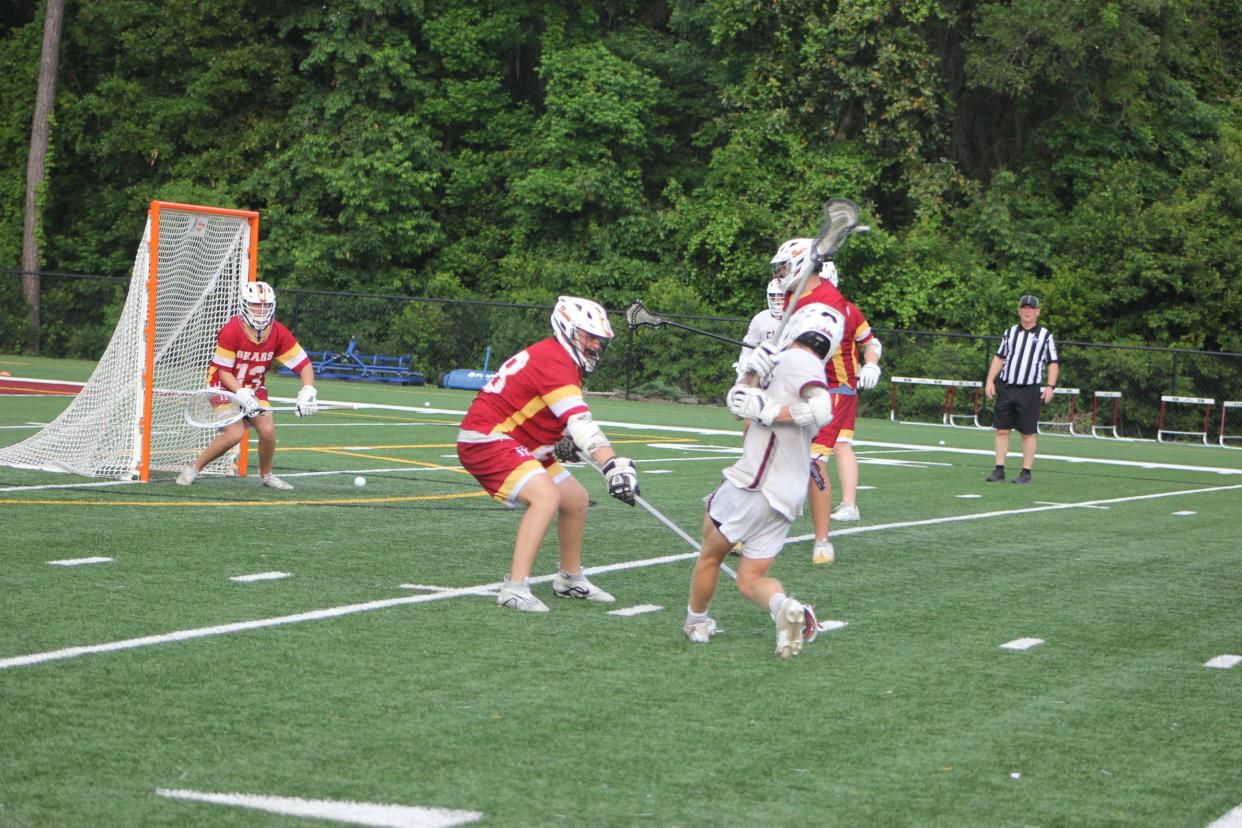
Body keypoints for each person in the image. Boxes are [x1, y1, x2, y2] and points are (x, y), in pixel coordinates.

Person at [456, 295, 639, 612]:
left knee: (575, 500)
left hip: (517, 440)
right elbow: (581, 423)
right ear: (568, 329)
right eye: (589, 336)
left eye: (598, 338)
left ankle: (569, 579)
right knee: (546, 496)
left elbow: (556, 416)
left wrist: (562, 437)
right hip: (487, 439)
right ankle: (514, 587)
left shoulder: (559, 358)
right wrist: (611, 464)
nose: (595, 345)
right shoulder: (555, 361)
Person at [686, 303, 844, 658]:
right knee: (750, 580)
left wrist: (774, 411)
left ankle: (696, 622)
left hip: (755, 482)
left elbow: (822, 410)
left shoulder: (798, 363)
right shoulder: (788, 361)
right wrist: (749, 373)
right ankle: (785, 608)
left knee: (709, 555)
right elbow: (739, 404)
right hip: (787, 495)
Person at [754, 239, 883, 565]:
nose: (780, 273)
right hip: (800, 385)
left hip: (833, 390)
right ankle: (755, 528)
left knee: (814, 460)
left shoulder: (838, 305)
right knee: (766, 449)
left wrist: (871, 363)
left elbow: (864, 343)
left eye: (785, 267)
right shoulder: (789, 298)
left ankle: (823, 539)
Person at [176, 281, 318, 490]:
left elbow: (304, 365)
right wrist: (241, 393)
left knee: (268, 430)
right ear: (244, 305)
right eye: (255, 305)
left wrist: (308, 390)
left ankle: (266, 476)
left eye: (266, 306)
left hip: (254, 387)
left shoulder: (278, 332)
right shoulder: (232, 330)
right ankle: (193, 468)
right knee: (235, 434)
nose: (261, 310)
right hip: (222, 387)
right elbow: (223, 372)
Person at [984, 294, 1060, 484]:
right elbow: (999, 357)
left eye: (1031, 308)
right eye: (1024, 307)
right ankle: (999, 469)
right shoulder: (1010, 332)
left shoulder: (1045, 335)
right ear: (1019, 310)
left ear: (1037, 312)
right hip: (1007, 386)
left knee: (1027, 432)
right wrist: (990, 381)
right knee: (1002, 429)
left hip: (1029, 389)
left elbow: (1053, 363)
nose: (1027, 311)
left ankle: (1026, 472)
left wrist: (1050, 387)